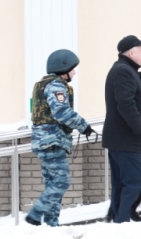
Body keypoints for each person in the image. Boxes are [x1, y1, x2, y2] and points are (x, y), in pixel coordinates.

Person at [25, 49, 94, 227]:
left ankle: (51, 224)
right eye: (73, 68)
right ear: (64, 68)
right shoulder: (56, 85)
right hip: (51, 141)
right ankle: (35, 214)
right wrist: (83, 126)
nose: (75, 73)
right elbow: (61, 112)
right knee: (62, 182)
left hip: (44, 141)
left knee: (53, 186)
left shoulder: (42, 84)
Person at [102, 35, 141, 223]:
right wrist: (140, 128)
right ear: (132, 53)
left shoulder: (124, 69)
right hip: (126, 139)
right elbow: (125, 104)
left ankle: (117, 219)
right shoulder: (124, 71)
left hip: (121, 140)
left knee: (121, 183)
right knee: (134, 181)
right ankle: (121, 220)